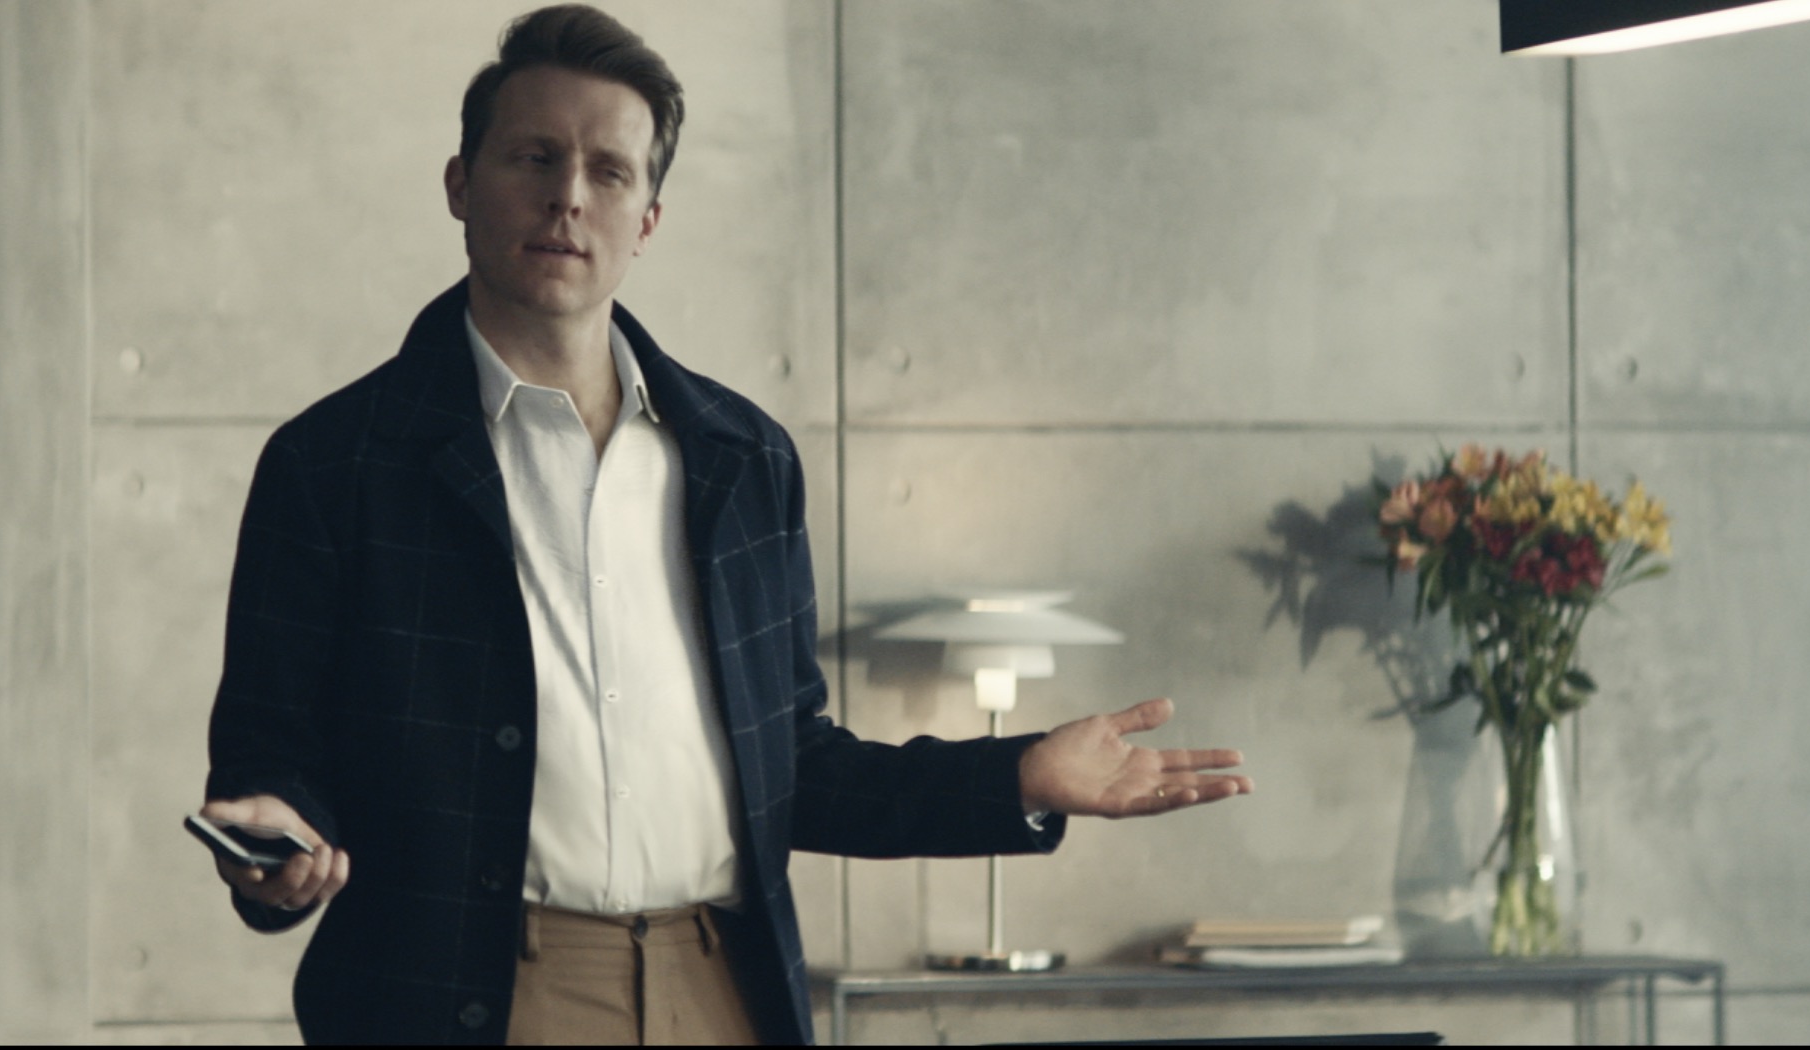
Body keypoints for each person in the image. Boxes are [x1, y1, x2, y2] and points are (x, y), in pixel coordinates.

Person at [196, 5, 1252, 1044]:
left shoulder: (742, 458)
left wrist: (1016, 778)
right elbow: (268, 754)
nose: (569, 196)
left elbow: (797, 767)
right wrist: (277, 841)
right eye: (534, 157)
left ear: (647, 221)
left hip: (723, 986)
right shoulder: (333, 463)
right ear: (460, 185)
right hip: (472, 997)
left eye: (610, 171)